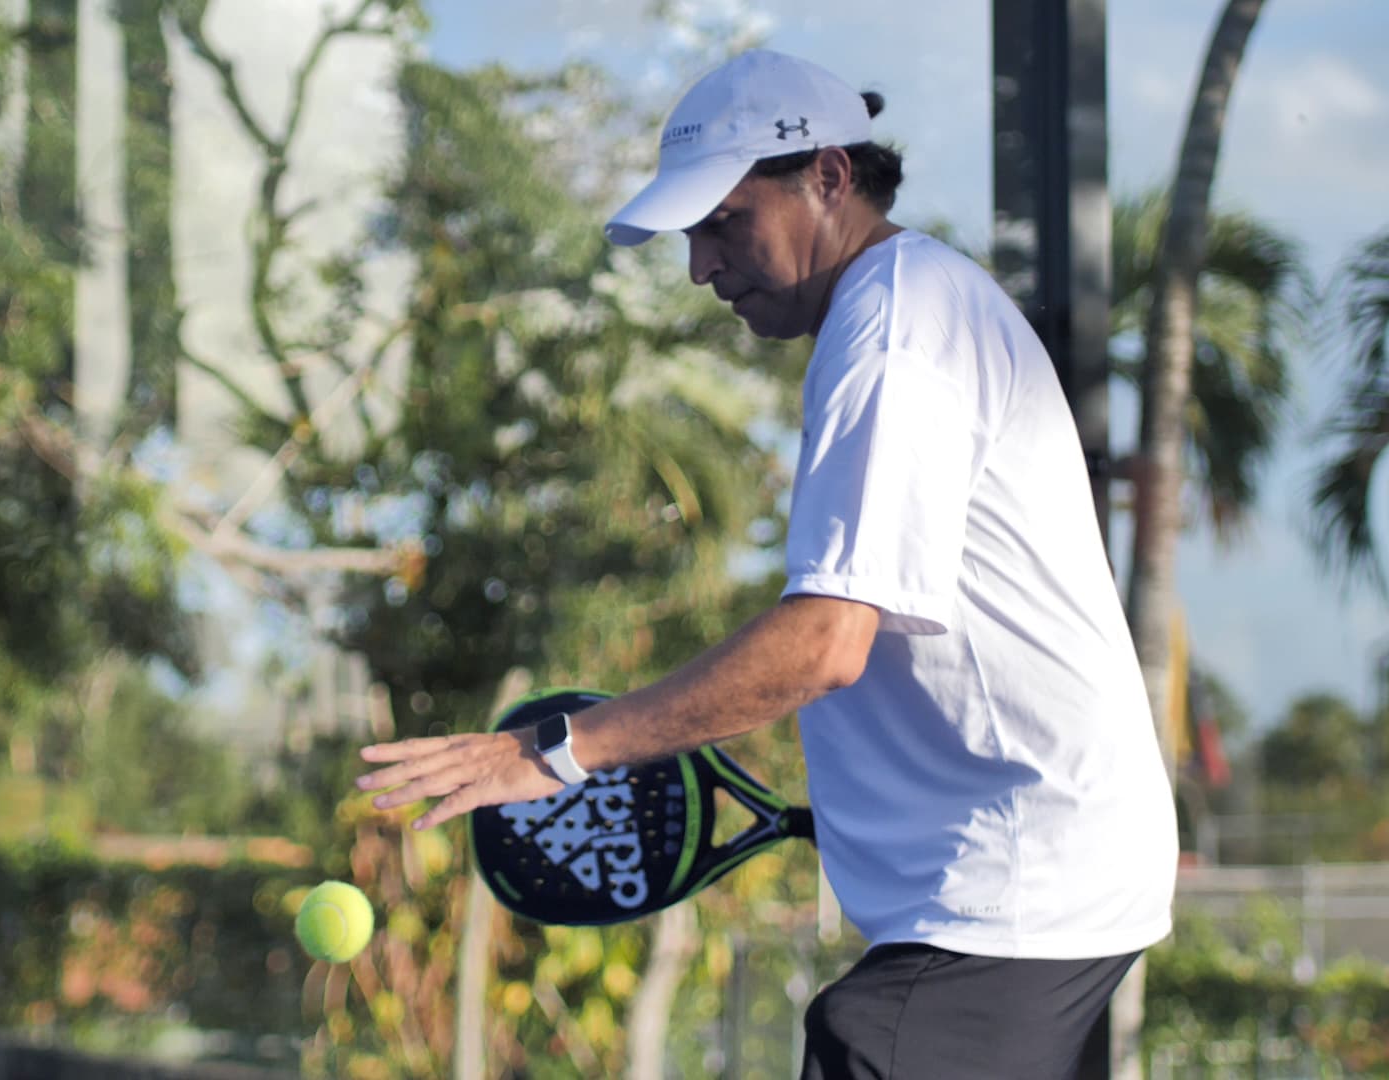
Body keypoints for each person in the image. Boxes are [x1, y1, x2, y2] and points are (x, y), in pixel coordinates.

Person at [358, 48, 1177, 1079]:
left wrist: (553, 753)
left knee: (861, 1042)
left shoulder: (893, 330)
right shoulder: (911, 305)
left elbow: (825, 645)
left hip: (1013, 888)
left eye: (722, 222)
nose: (701, 265)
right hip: (1029, 886)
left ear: (829, 178)